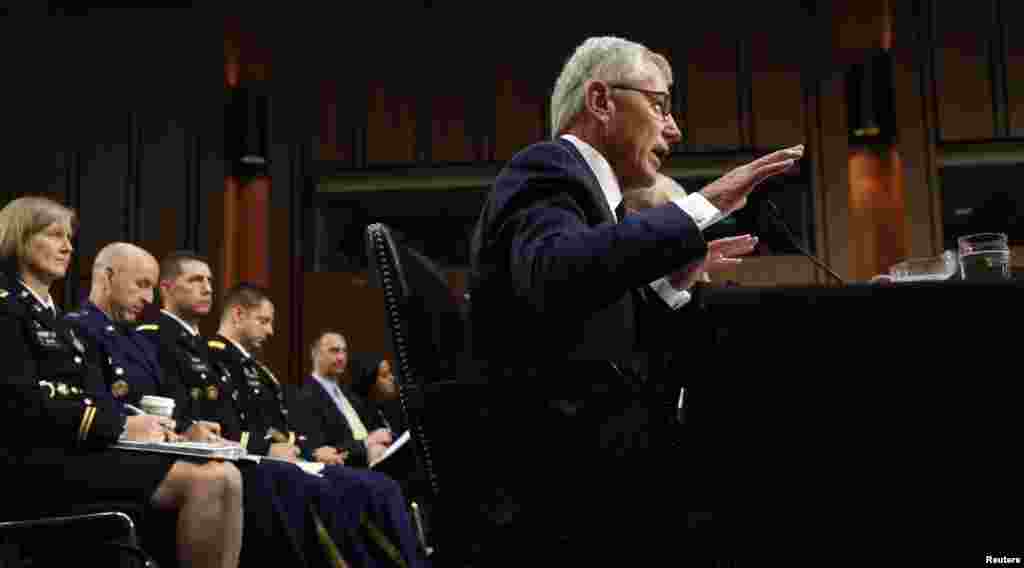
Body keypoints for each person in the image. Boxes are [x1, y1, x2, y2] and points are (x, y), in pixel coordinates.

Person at [467, 36, 803, 558]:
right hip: (555, 487)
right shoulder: (548, 167)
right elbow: (554, 273)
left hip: (584, 466)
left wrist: (674, 283)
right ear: (601, 101)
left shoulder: (597, 203)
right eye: (660, 104)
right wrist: (703, 205)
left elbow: (603, 331)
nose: (675, 129)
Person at [0, 197, 243, 568]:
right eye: (54, 235)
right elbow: (20, 403)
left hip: (77, 451)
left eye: (69, 237)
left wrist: (163, 431)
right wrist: (120, 425)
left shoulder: (58, 323)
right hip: (33, 463)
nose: (67, 247)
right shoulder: (8, 310)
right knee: (206, 482)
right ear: (19, 239)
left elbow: (94, 397)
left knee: (226, 475)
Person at [143, 254, 425, 567]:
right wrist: (275, 448)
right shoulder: (172, 343)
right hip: (218, 459)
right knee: (318, 489)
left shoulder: (214, 354)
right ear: (166, 288)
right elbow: (198, 420)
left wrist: (294, 448)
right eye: (197, 280)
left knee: (377, 486)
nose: (208, 288)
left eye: (210, 281)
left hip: (250, 457)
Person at [293, 331, 393, 468]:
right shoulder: (305, 397)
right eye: (334, 351)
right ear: (315, 354)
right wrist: (365, 444)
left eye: (344, 351)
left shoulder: (349, 394)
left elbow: (369, 430)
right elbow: (320, 451)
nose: (341, 357)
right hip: (345, 470)